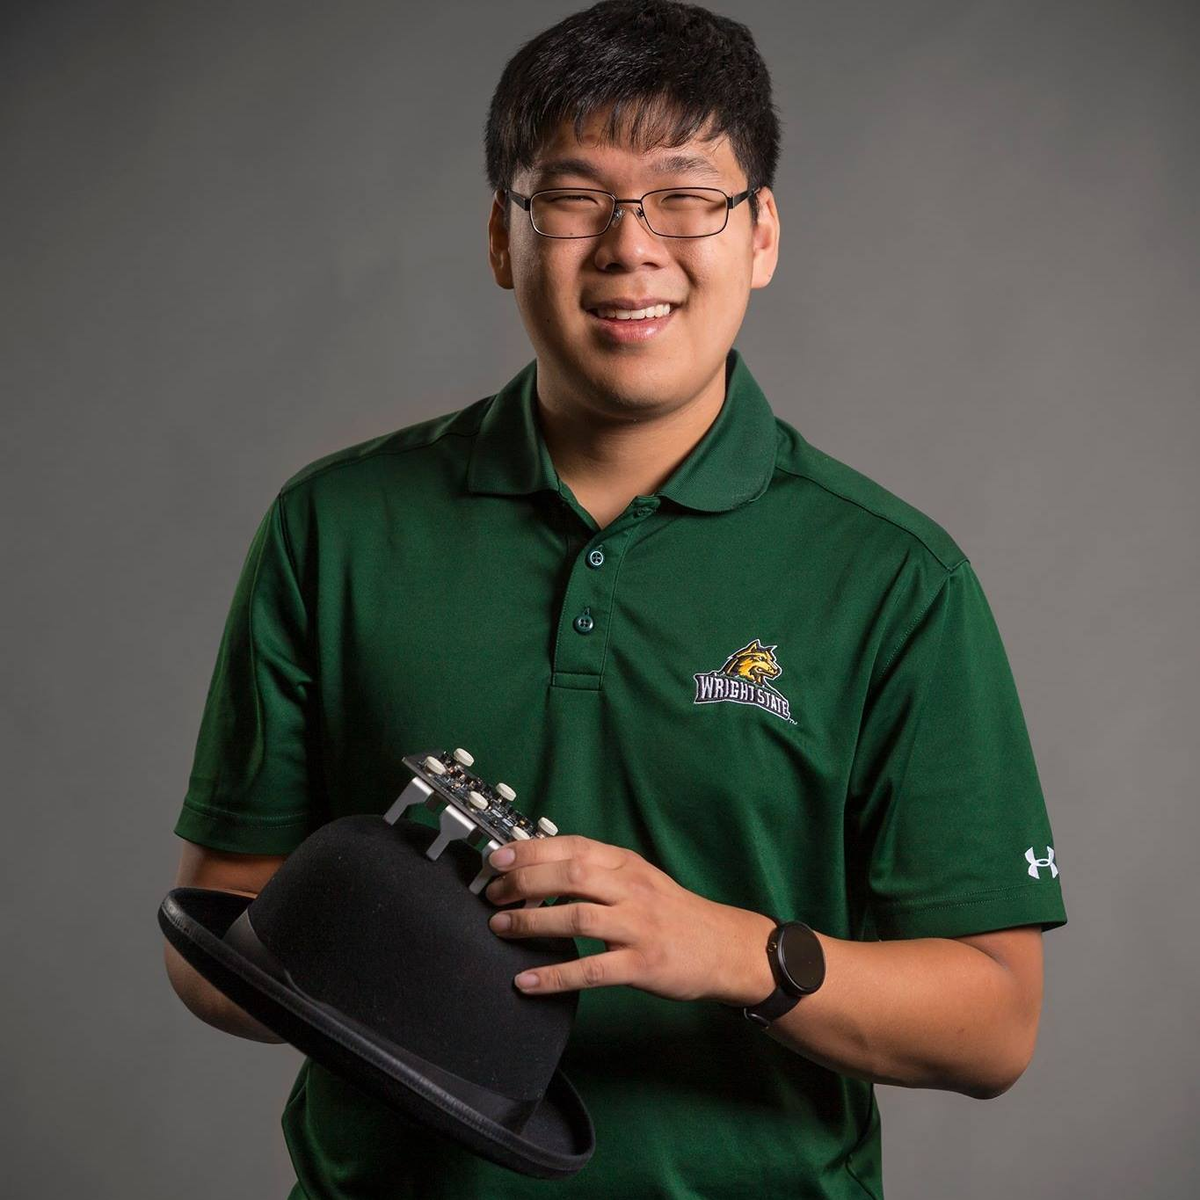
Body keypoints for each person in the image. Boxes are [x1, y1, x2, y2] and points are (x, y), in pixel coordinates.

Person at [163, 2, 1067, 1197]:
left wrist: (731, 950)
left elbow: (996, 1025)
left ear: (761, 235)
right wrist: (400, 954)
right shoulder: (334, 527)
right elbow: (215, 941)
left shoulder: (896, 578)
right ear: (503, 236)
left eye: (685, 196)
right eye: (574, 197)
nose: (630, 247)